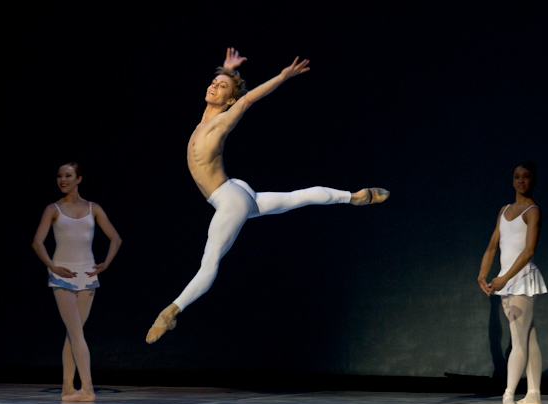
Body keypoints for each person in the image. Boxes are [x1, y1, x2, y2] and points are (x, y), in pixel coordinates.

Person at [146, 48, 389, 344]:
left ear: (230, 101)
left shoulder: (222, 121)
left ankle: (171, 311)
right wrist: (228, 71)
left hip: (230, 198)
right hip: (238, 192)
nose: (213, 86)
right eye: (213, 82)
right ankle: (353, 197)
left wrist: (283, 76)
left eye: (221, 87)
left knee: (209, 263)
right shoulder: (205, 119)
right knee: (295, 198)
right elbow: (228, 90)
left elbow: (248, 98)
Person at [33, 162, 122, 402]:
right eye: (60, 176)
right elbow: (37, 242)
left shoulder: (93, 208)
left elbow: (116, 238)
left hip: (88, 274)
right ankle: (87, 388)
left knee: (75, 333)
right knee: (75, 332)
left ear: (78, 179)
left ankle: (67, 388)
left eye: (68, 175)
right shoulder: (53, 209)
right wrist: (52, 266)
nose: (63, 180)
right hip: (63, 275)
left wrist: (106, 264)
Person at [477, 161, 547, 404]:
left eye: (526, 177)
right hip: (507, 280)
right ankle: (534, 394)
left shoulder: (532, 211)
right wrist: (483, 274)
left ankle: (508, 395)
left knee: (518, 339)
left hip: (522, 280)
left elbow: (528, 251)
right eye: (517, 176)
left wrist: (505, 278)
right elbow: (493, 244)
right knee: (528, 337)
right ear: (512, 180)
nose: (521, 181)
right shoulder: (504, 210)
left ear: (533, 180)